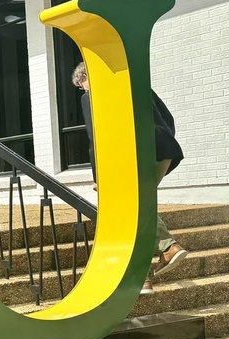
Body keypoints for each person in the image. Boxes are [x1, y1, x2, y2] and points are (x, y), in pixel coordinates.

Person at [74, 62, 188, 295]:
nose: (83, 91)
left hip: (134, 157)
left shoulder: (93, 94)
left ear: (87, 76)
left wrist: (99, 176)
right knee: (140, 210)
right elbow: (168, 117)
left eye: (81, 85)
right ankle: (148, 274)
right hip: (164, 151)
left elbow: (94, 136)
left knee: (133, 210)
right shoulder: (134, 85)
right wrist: (160, 142)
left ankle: (165, 249)